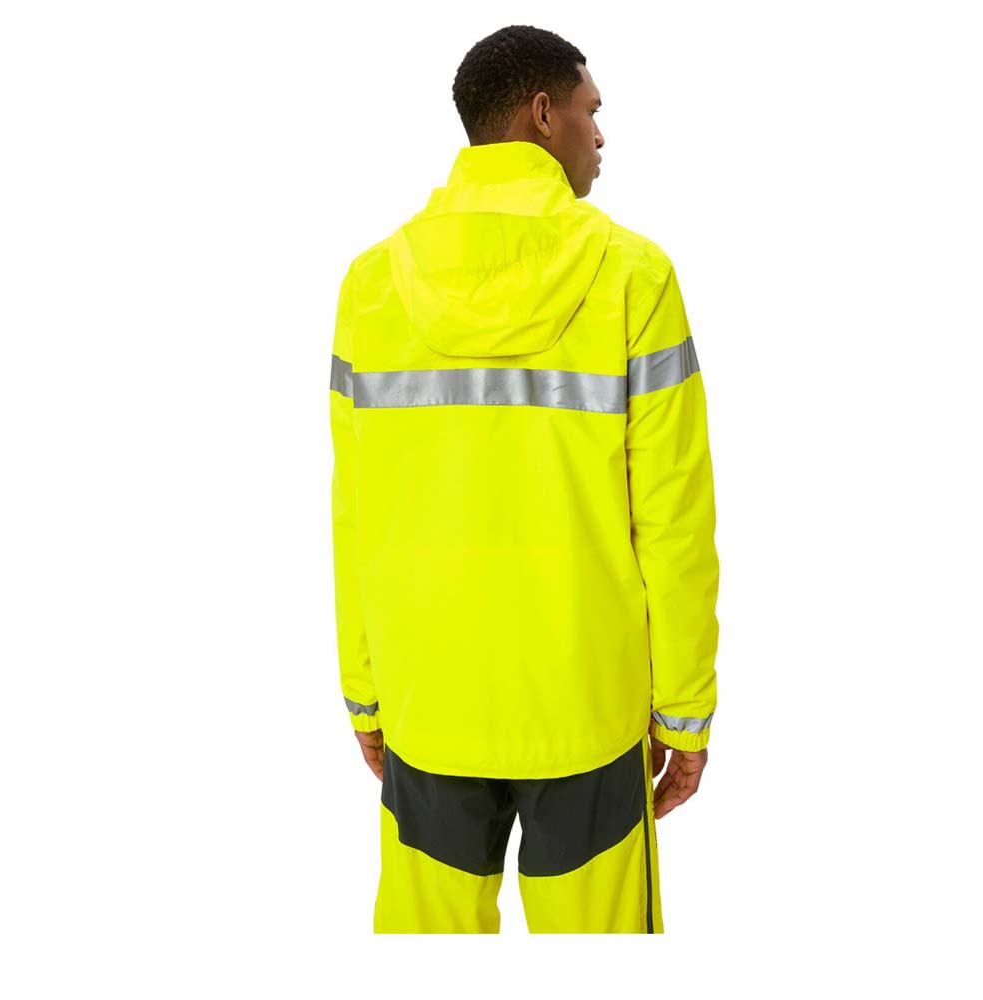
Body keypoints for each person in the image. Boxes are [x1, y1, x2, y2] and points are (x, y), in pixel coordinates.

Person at [329, 24, 720, 933]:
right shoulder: (635, 277)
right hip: (586, 711)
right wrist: (685, 714)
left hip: (430, 701)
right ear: (543, 115)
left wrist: (365, 691)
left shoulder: (371, 285)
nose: (601, 134)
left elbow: (355, 514)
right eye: (591, 111)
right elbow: (673, 518)